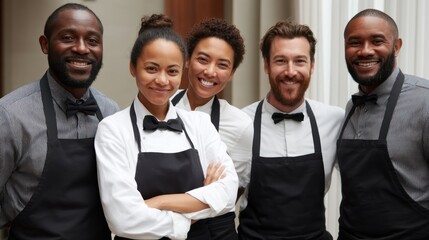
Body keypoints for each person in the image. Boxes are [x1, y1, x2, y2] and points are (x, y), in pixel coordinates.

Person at [94, 14, 238, 240]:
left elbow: (228, 194)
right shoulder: (112, 129)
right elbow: (123, 219)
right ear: (133, 67)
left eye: (172, 71)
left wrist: (156, 203)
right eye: (151, 68)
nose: (162, 80)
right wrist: (194, 211)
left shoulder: (199, 124)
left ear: (182, 72)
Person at [0, 3, 119, 240]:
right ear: (45, 44)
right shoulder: (10, 114)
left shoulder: (110, 112)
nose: (82, 48)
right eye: (68, 38)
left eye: (93, 41)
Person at [237, 20, 344, 240]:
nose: (290, 71)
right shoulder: (240, 123)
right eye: (280, 61)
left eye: (300, 61)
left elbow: (364, 188)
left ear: (312, 65)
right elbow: (222, 202)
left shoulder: (335, 120)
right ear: (266, 65)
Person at [337, 8, 429, 239]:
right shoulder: (351, 107)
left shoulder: (425, 102)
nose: (365, 51)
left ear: (397, 46)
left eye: (377, 41)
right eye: (355, 42)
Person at [171, 18, 252, 240]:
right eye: (203, 59)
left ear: (232, 72)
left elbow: (228, 197)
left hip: (212, 232)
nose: (210, 71)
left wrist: (212, 197)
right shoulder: (158, 105)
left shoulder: (240, 125)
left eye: (222, 65)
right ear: (187, 60)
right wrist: (206, 192)